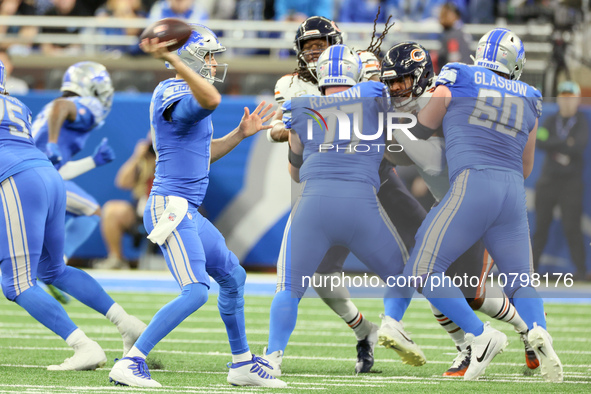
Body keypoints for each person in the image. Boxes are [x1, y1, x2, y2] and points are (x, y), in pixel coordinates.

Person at [108, 24, 286, 388]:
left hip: (187, 208)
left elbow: (201, 156)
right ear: (188, 57)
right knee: (195, 291)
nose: (215, 64)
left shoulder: (183, 90)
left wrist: (238, 134)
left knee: (234, 278)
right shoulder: (173, 89)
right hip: (169, 206)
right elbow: (210, 100)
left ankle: (241, 364)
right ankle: (132, 361)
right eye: (208, 56)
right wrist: (174, 56)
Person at [266, 16, 428, 374]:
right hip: (342, 184)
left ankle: (467, 340)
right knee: (330, 275)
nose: (313, 52)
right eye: (307, 47)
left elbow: (382, 102)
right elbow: (286, 127)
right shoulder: (297, 87)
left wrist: (306, 114)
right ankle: (374, 328)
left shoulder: (328, 88)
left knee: (427, 257)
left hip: (369, 179)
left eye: (319, 45)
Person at [400, 28, 562, 382]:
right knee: (522, 280)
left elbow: (422, 130)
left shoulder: (460, 74)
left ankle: (479, 335)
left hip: (473, 182)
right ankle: (539, 334)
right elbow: (526, 165)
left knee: (423, 270)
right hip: (512, 191)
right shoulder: (531, 96)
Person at [0, 58, 146, 371]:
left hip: (17, 179)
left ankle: (83, 345)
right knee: (52, 270)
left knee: (17, 283)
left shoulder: (60, 105)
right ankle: (127, 323)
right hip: (48, 178)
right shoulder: (17, 107)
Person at [32, 61, 116, 268]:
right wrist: (52, 142)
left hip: (30, 174)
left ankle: (50, 262)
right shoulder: (85, 103)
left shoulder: (50, 111)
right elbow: (63, 105)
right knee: (92, 211)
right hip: (36, 177)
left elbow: (59, 169)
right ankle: (56, 264)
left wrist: (92, 162)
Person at [532, 81, 589, 280]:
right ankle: (531, 271)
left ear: (577, 100)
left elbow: (578, 146)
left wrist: (554, 145)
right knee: (540, 227)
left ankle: (581, 272)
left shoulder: (581, 121)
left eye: (570, 98)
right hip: (549, 180)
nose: (566, 102)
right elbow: (540, 140)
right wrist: (564, 143)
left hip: (570, 184)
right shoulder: (550, 120)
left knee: (572, 227)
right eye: (563, 97)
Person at [96, 137, 156, 270]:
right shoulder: (144, 163)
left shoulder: (177, 159)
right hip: (141, 213)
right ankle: (116, 260)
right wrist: (137, 156)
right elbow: (122, 183)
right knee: (111, 210)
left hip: (169, 212)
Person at [437, 2, 472, 71]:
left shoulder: (453, 35)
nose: (441, 18)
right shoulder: (460, 31)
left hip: (457, 75)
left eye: (445, 14)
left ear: (454, 15)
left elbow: (454, 60)